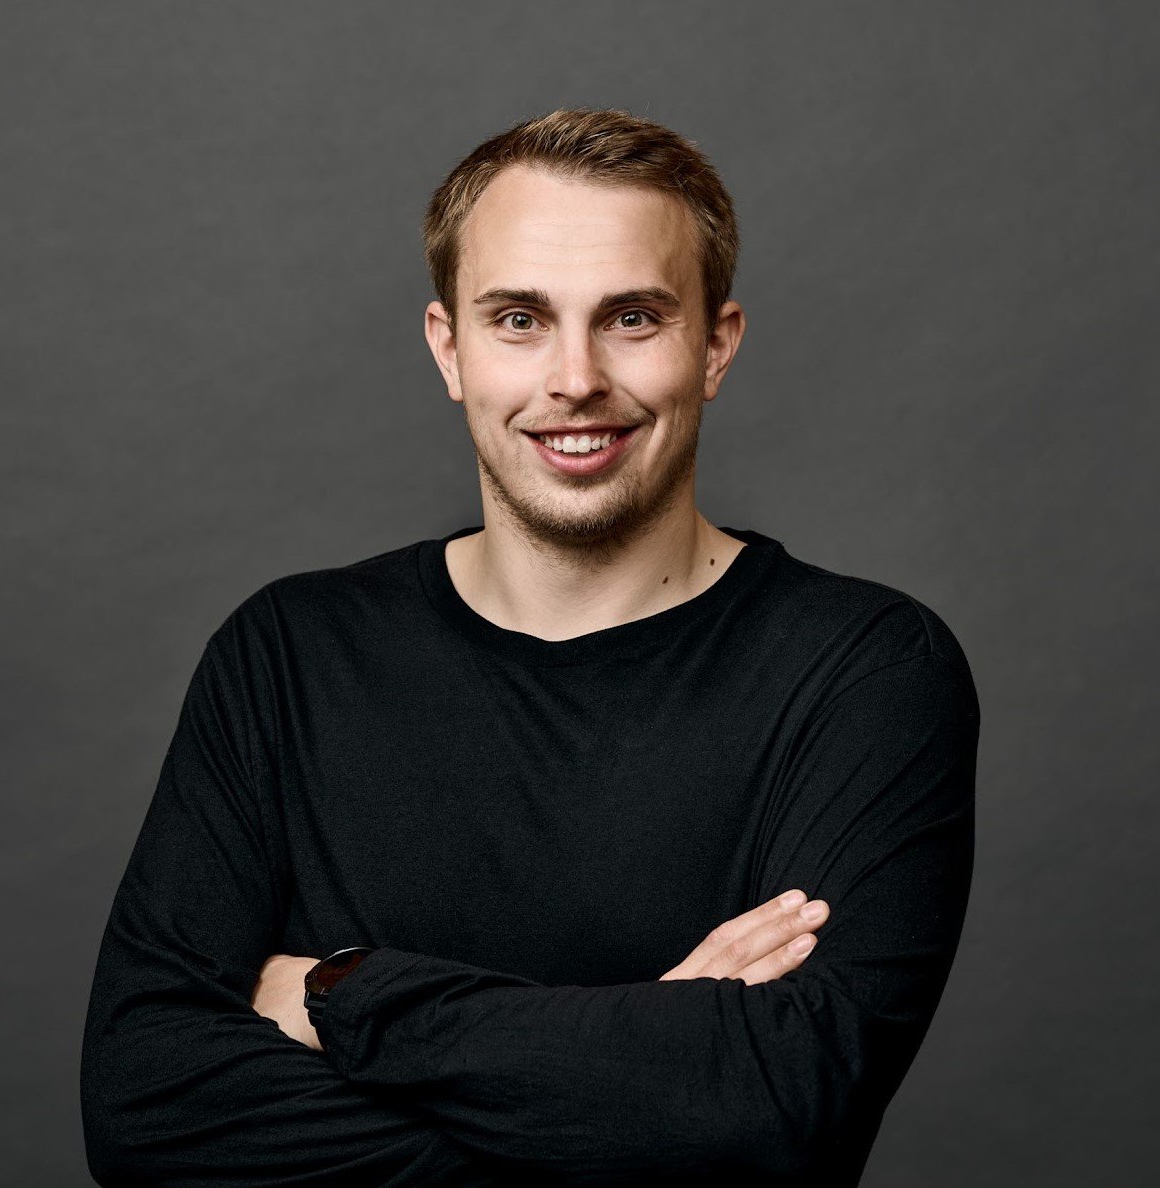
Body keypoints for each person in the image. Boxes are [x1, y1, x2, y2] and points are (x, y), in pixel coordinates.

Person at [81, 108, 979, 1187]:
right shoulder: (288, 656)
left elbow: (776, 1107)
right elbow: (143, 1109)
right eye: (518, 319)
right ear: (448, 348)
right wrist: (651, 1071)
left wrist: (347, 994)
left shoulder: (866, 671)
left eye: (632, 318)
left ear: (715, 346)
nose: (574, 378)